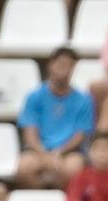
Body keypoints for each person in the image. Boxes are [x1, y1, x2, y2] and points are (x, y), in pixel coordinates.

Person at [16, 48, 94, 190]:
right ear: (50, 65)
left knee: (73, 170)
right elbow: (30, 132)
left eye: (69, 66)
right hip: (37, 150)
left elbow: (79, 135)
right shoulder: (34, 97)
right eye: (60, 64)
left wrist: (59, 152)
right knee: (24, 168)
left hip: (69, 152)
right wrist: (44, 154)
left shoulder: (84, 100)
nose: (64, 70)